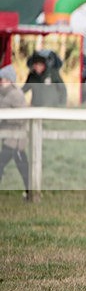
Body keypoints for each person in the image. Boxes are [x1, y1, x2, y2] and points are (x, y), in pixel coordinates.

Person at [0, 65, 31, 200]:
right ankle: (31, 192)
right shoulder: (3, 93)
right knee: (23, 167)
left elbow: (21, 117)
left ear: (11, 80)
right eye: (1, 79)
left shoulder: (16, 94)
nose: (2, 81)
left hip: (16, 139)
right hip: (9, 137)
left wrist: (6, 117)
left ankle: (31, 192)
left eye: (5, 79)